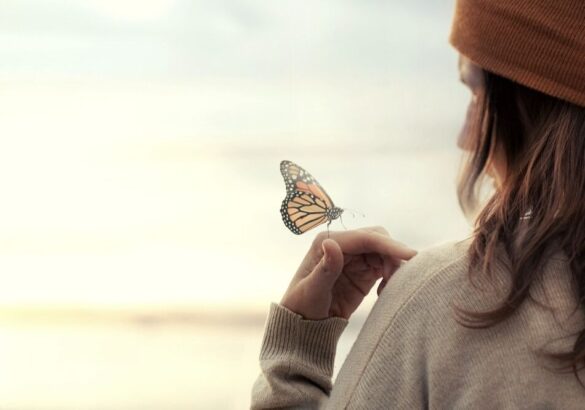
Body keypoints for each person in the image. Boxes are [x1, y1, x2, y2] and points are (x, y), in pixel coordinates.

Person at [251, 0, 585, 407]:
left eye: (477, 94)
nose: (465, 138)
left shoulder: (453, 301)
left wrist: (295, 358)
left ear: (531, 105)